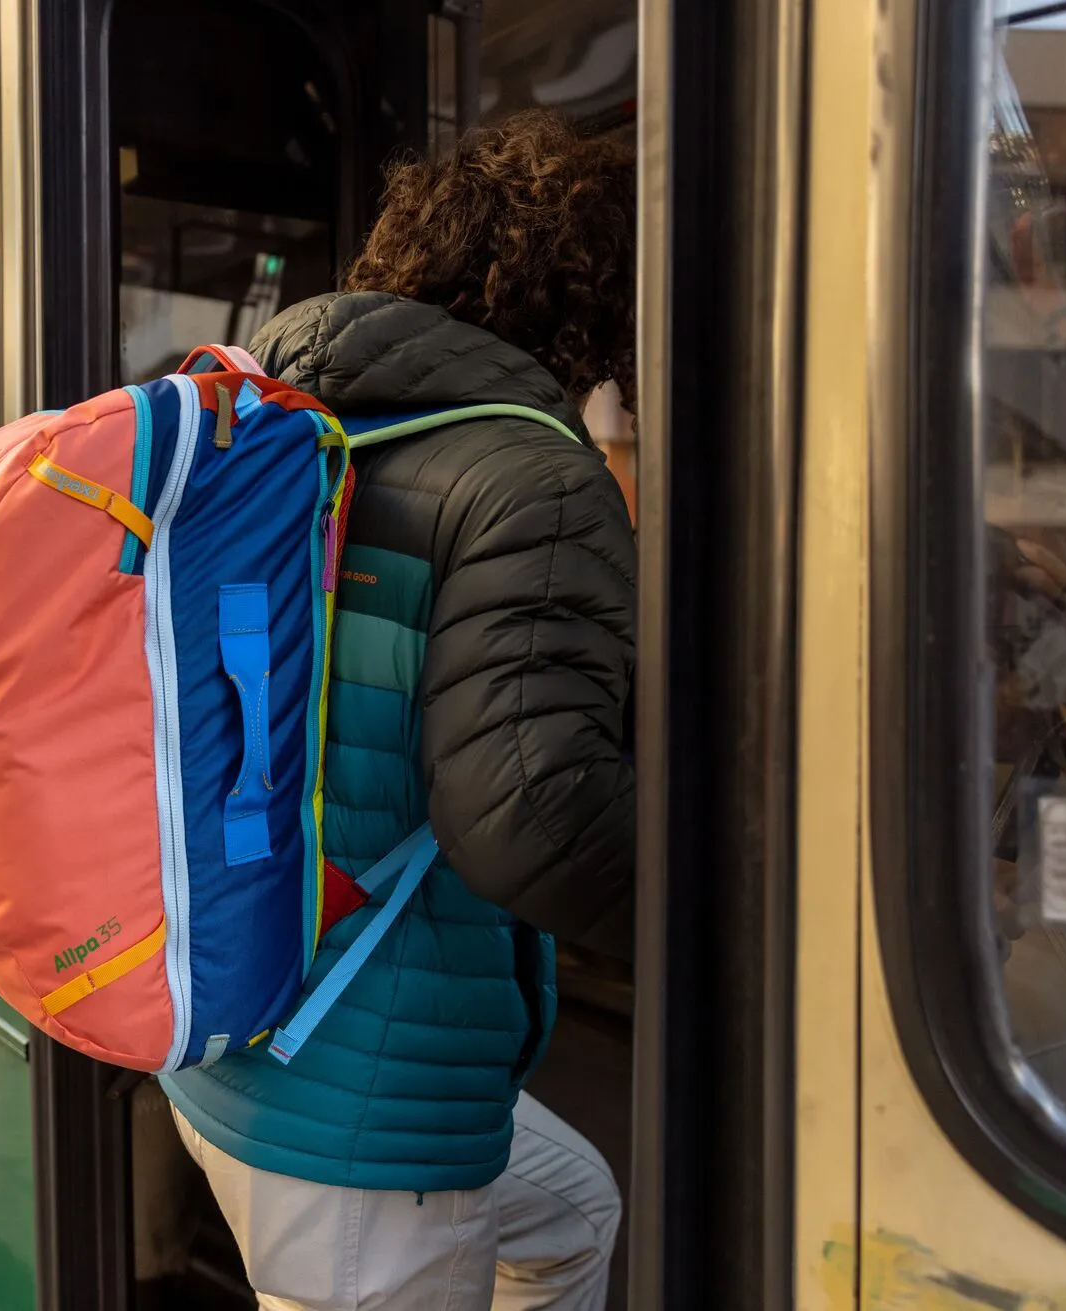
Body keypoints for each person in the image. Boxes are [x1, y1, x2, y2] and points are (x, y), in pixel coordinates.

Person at [159, 110, 637, 1309]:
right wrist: (754, 921)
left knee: (573, 1213)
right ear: (586, 301)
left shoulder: (278, 424)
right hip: (357, 1109)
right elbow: (530, 816)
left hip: (235, 1036)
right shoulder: (535, 474)